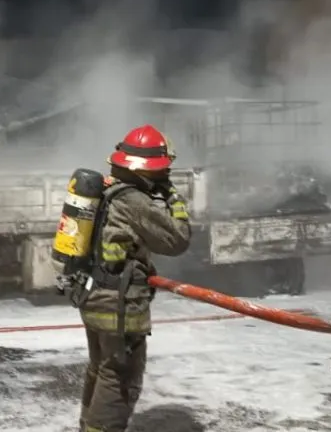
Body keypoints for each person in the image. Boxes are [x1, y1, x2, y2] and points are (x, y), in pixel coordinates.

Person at [76, 124, 192, 432]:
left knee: (101, 371)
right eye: (161, 172)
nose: (162, 176)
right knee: (120, 381)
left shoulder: (105, 191)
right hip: (120, 307)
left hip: (94, 297)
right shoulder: (133, 201)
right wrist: (174, 198)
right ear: (147, 171)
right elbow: (178, 239)